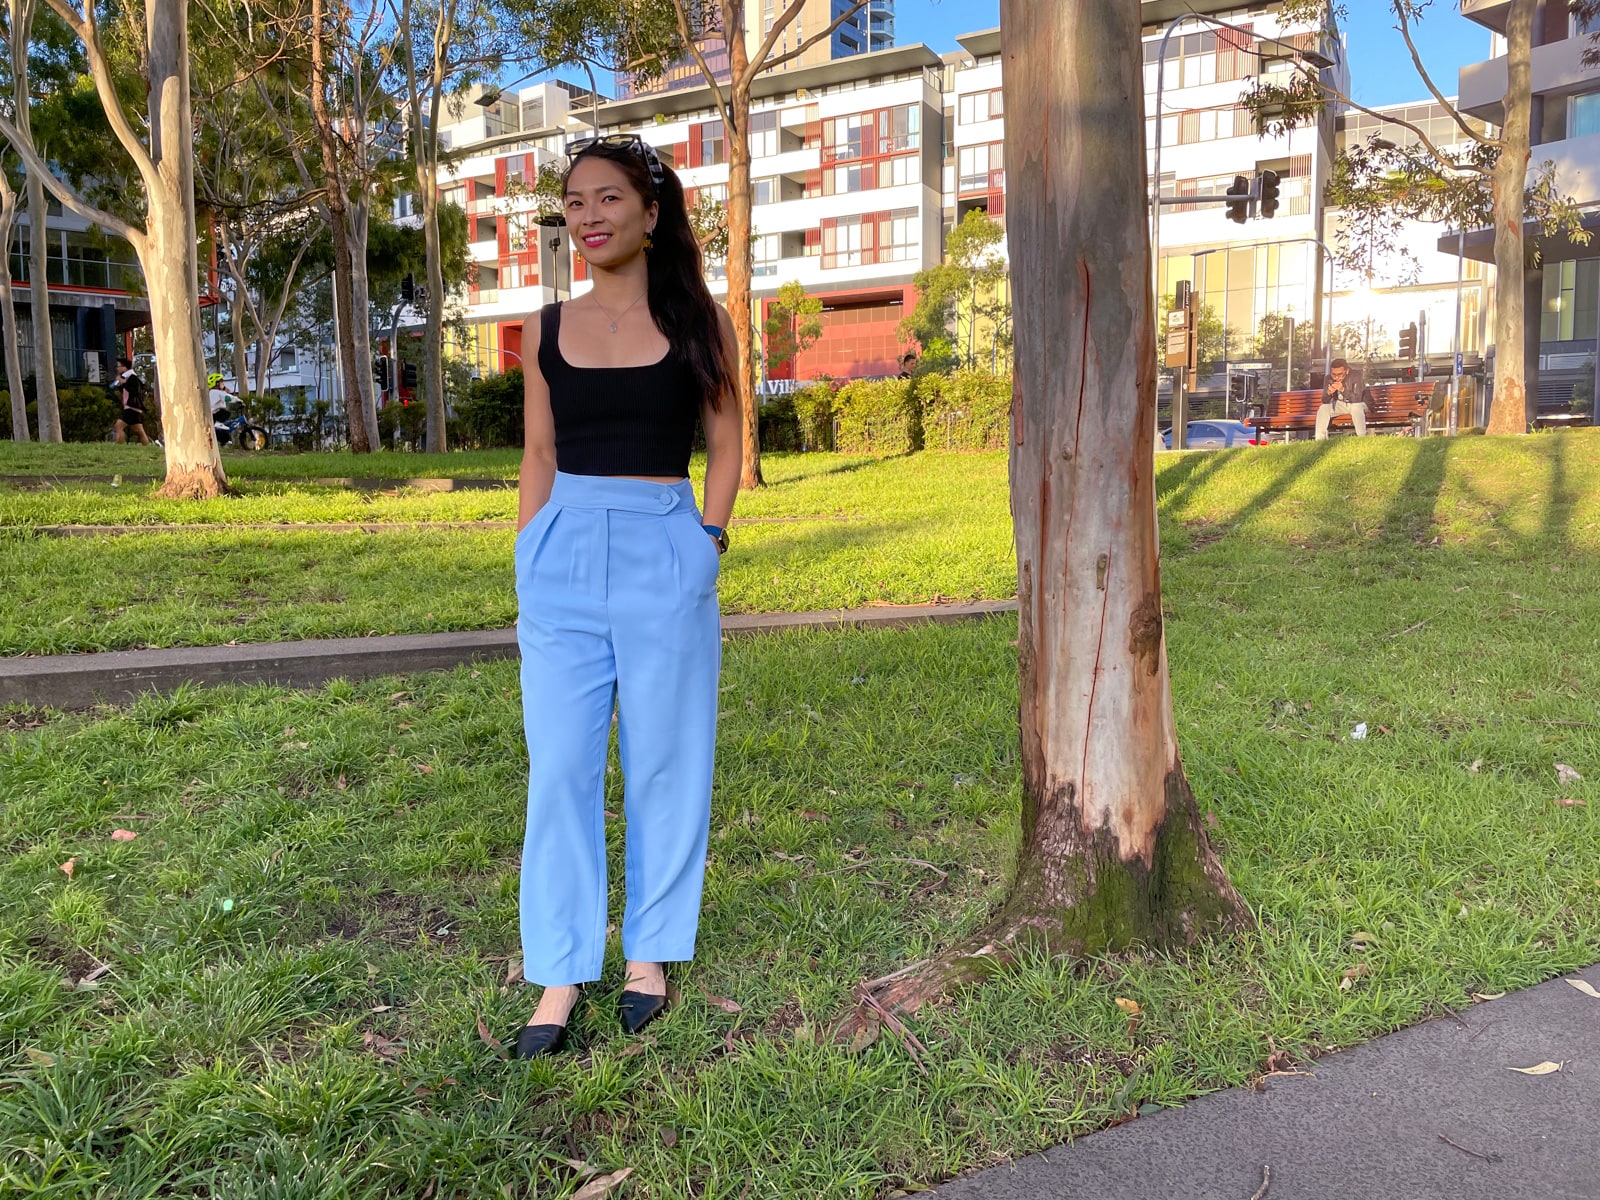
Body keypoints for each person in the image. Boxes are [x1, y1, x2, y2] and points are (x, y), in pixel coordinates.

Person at [509, 135, 742, 1059]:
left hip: (665, 545)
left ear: (651, 214)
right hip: (561, 551)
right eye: (574, 202)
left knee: (663, 763)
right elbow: (537, 451)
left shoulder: (699, 323)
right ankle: (560, 970)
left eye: (608, 198)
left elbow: (728, 448)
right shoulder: (544, 326)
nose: (590, 216)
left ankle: (648, 952)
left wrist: (707, 542)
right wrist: (530, 547)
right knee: (560, 767)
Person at [1314, 358, 1367, 439]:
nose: (1336, 377)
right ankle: (1319, 439)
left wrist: (1342, 389)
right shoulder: (1328, 378)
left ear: (1347, 371)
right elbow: (1324, 401)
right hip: (1341, 404)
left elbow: (1357, 399)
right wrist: (1329, 393)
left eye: (1340, 374)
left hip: (1360, 404)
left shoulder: (1356, 376)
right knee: (1323, 408)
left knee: (1356, 407)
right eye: (1333, 374)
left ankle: (1362, 437)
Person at [112, 356, 151, 445]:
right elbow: (125, 391)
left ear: (124, 367)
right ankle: (147, 446)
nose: (117, 369)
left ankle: (119, 445)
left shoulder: (133, 378)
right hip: (131, 408)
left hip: (132, 408)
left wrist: (123, 383)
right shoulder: (127, 378)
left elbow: (134, 391)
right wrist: (120, 385)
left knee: (118, 426)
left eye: (118, 366)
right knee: (139, 431)